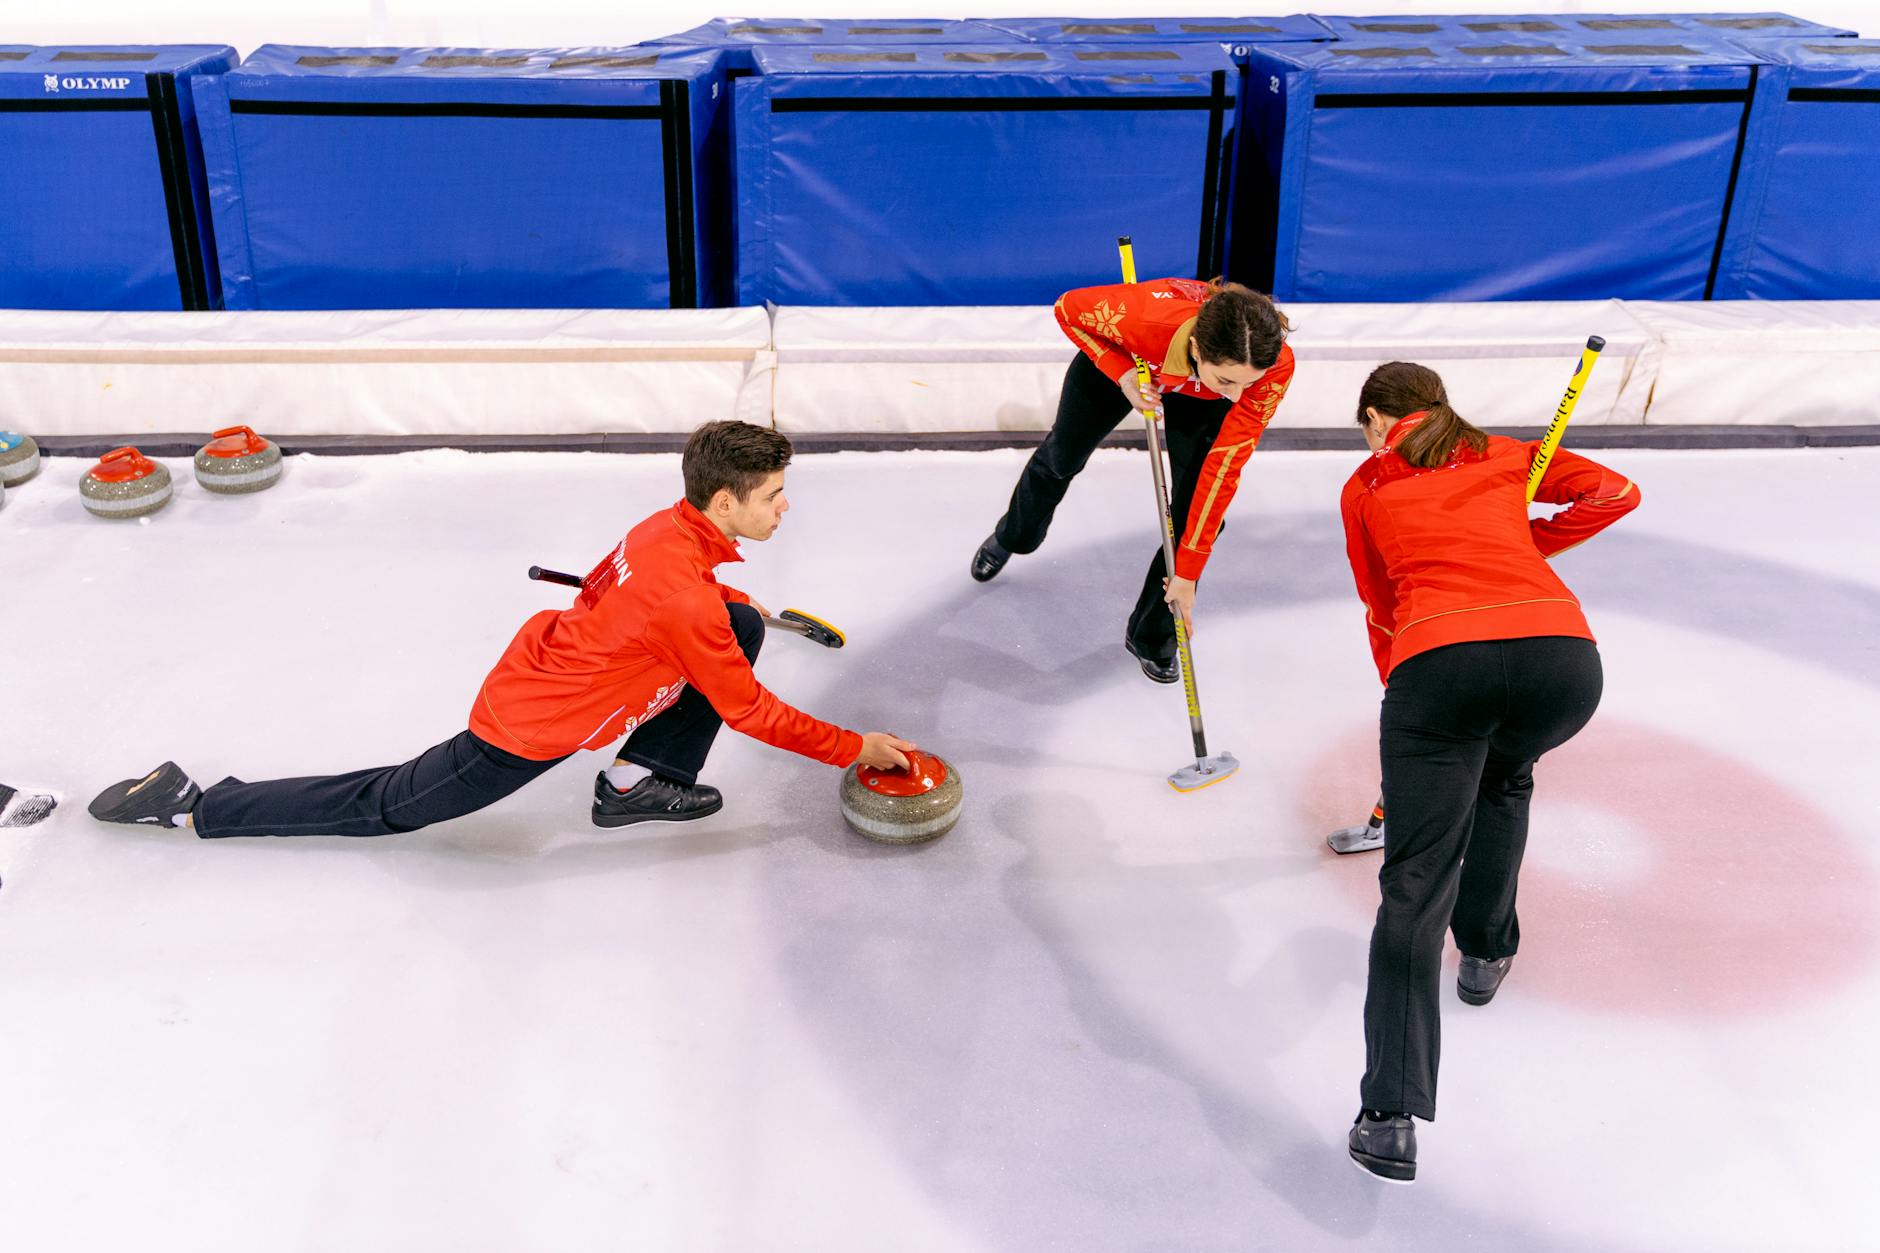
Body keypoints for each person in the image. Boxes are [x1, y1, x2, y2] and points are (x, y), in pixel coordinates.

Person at [87, 421, 915, 838]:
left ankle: (631, 786)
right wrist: (856, 747)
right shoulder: (684, 596)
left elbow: (633, 591)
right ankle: (199, 808)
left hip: (586, 664)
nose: (785, 506)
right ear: (725, 501)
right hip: (525, 724)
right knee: (385, 802)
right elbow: (752, 712)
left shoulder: (668, 529)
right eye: (773, 494)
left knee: (739, 619)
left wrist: (727, 603)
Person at [1340, 362, 1640, 1184]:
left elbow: (1382, 608)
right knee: (1506, 774)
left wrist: (1409, 714)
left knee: (1416, 878)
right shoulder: (1514, 456)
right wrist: (1524, 544)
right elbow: (1617, 493)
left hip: (1440, 661)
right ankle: (1484, 950)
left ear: (1374, 420)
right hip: (1563, 661)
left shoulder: (1367, 485)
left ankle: (1391, 1115)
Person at [970, 277, 1293, 682]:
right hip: (1131, 360)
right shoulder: (1141, 318)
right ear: (1196, 348)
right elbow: (1066, 308)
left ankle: (1151, 637)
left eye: (1248, 383)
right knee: (1060, 458)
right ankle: (1013, 536)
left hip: (1198, 397)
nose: (1237, 395)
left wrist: (1188, 572)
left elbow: (1226, 466)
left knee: (1197, 514)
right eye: (1229, 381)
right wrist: (1121, 373)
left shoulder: (1272, 367)